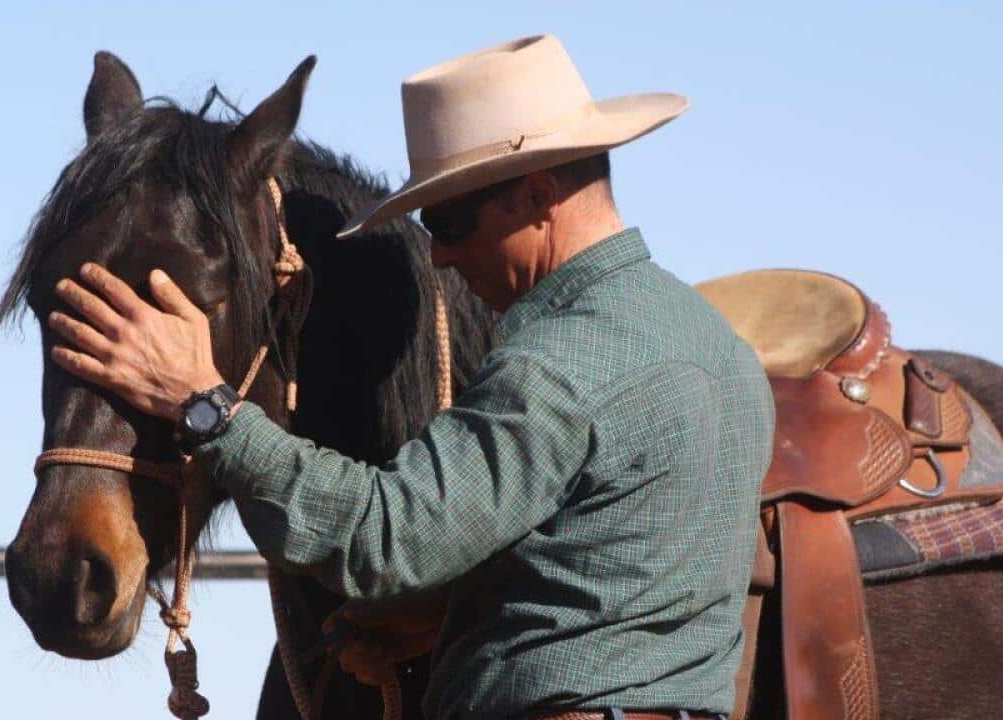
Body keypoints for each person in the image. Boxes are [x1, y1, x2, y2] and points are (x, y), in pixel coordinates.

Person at [46, 34, 774, 720]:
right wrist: (456, 621)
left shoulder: (558, 365)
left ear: (538, 194)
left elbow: (384, 541)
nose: (442, 259)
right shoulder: (718, 347)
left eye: (451, 222)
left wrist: (203, 406)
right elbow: (607, 576)